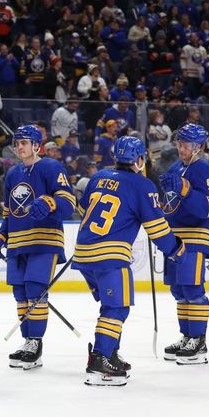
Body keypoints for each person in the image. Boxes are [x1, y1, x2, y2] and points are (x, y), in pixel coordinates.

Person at [73, 136, 187, 386]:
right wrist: (176, 249)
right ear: (138, 159)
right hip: (110, 255)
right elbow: (157, 228)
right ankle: (100, 361)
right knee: (118, 307)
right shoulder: (142, 184)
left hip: (83, 253)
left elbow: (84, 210)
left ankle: (110, 352)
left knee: (110, 305)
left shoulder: (98, 176)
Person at [0, 125, 76, 370]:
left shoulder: (51, 167)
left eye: (24, 143)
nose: (19, 147)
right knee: (20, 293)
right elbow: (9, 215)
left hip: (44, 240)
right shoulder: (12, 174)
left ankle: (35, 343)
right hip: (17, 243)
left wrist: (49, 202)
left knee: (35, 290)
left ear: (37, 145)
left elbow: (69, 204)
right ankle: (27, 342)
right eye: (17, 143)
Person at [158, 124, 209, 365]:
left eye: (186, 144)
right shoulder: (175, 167)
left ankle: (199, 339)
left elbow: (207, 208)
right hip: (174, 237)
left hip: (194, 237)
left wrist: (184, 190)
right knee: (179, 291)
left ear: (198, 147)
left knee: (193, 289)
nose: (181, 147)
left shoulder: (204, 168)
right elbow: (169, 205)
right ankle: (186, 336)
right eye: (179, 143)